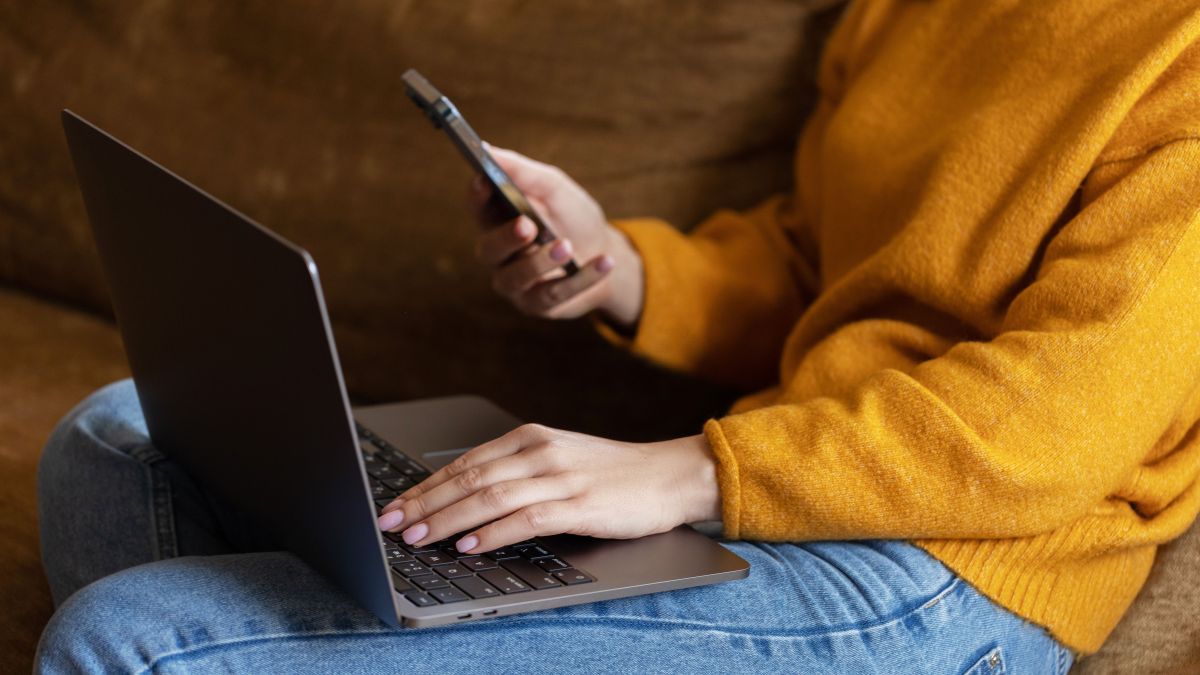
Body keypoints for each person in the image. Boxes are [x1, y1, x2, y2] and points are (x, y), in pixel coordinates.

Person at [35, 0, 1200, 672]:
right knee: (116, 441)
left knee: (132, 642)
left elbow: (1057, 426)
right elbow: (827, 263)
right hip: (781, 479)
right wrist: (623, 270)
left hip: (949, 568)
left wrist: (685, 471)